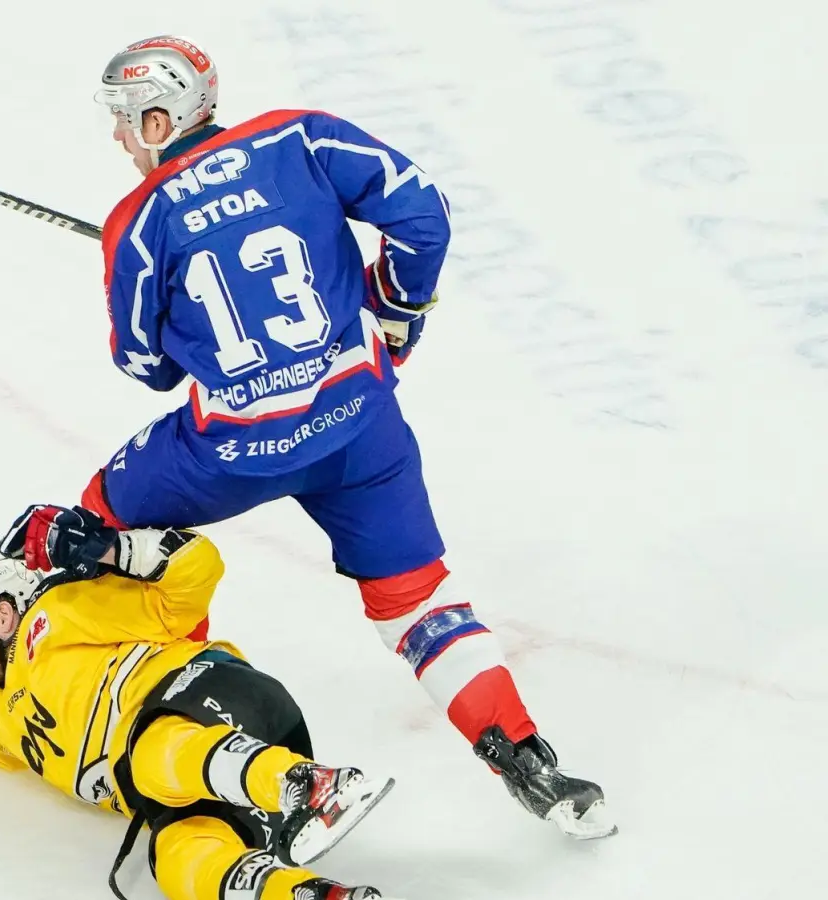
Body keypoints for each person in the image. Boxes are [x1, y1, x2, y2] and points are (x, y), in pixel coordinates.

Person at [59, 35, 613, 839]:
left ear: (156, 116)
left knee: (97, 517)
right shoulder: (301, 137)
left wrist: (186, 313)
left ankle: (154, 713)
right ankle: (530, 761)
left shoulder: (136, 224)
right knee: (418, 598)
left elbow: (144, 366)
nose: (117, 137)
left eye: (121, 120)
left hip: (233, 453)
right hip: (360, 428)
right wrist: (396, 315)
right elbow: (425, 217)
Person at [0, 514, 397, 900]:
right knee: (176, 856)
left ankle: (309, 786)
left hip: (223, 701)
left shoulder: (59, 613)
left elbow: (197, 570)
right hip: (198, 782)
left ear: (1, 612)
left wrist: (110, 551)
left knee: (145, 756)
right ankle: (313, 894)